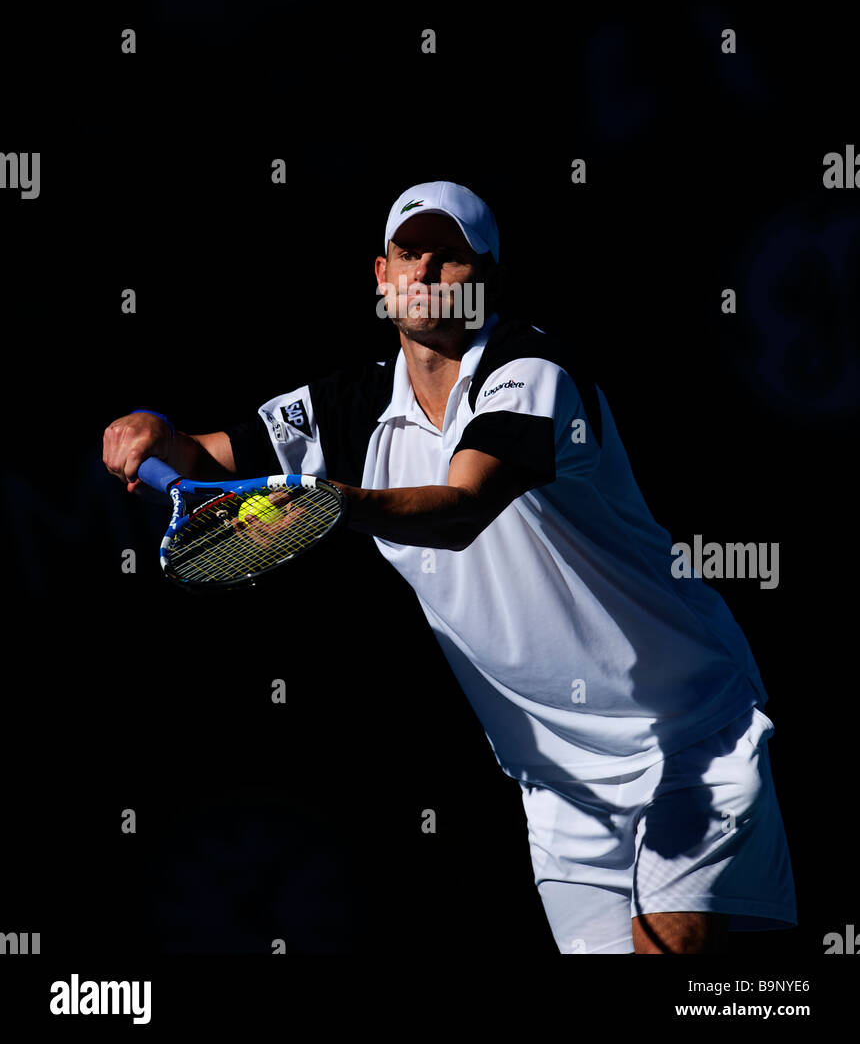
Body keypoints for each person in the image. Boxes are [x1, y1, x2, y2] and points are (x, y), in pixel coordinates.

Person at [103, 180, 796, 955]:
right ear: (380, 276)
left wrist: (330, 502)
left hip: (687, 735)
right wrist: (153, 430)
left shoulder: (532, 371)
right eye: (408, 254)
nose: (426, 271)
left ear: (488, 279)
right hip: (557, 784)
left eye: (450, 256)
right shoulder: (349, 405)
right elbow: (206, 455)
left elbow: (461, 509)